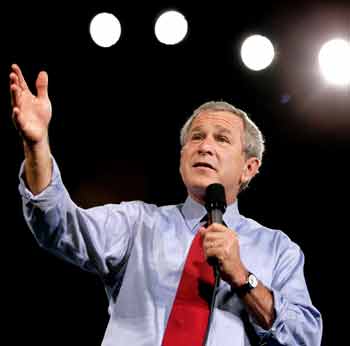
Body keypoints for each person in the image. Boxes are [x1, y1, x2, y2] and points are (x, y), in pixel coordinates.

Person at [9, 63, 322, 346]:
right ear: (182, 157)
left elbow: (305, 338)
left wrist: (243, 277)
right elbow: (58, 225)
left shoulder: (279, 249)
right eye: (196, 137)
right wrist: (37, 145)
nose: (205, 146)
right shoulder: (136, 224)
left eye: (222, 139)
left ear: (249, 168)